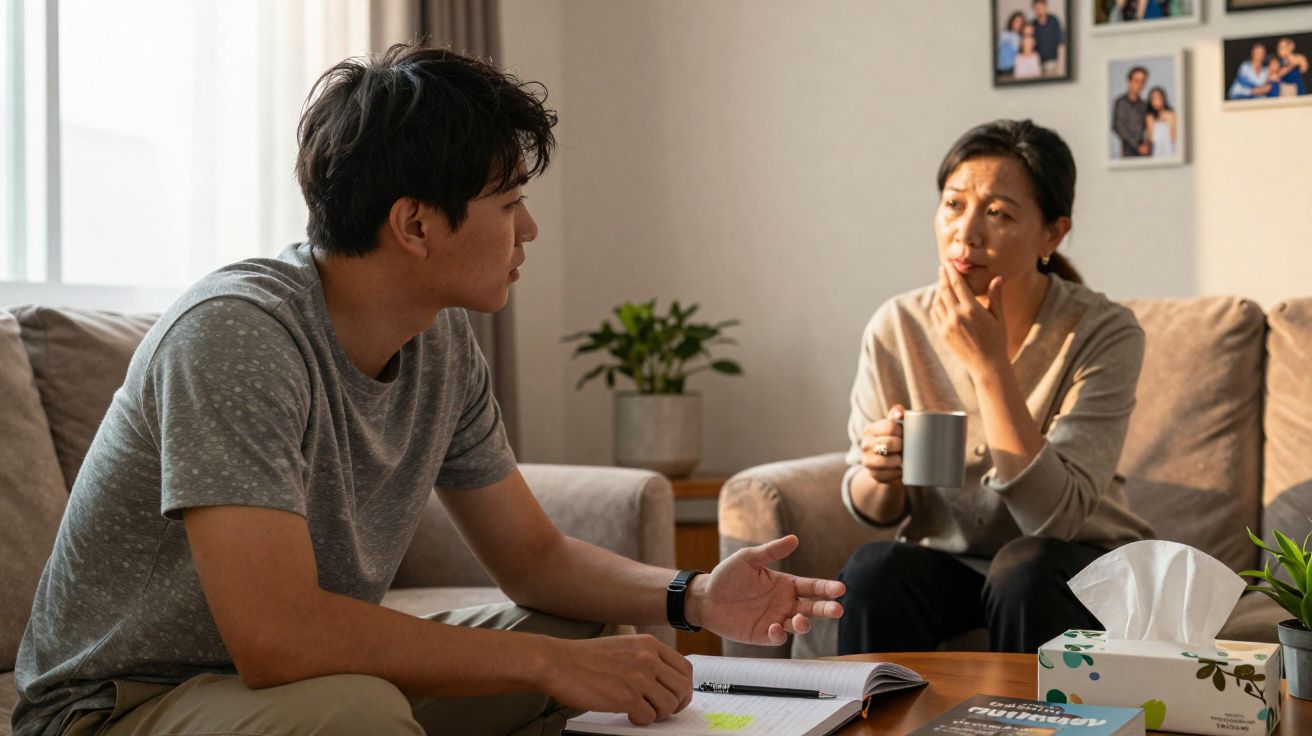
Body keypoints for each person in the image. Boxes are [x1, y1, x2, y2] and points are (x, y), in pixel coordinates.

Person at [11, 44, 845, 736]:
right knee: (362, 710)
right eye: (510, 203)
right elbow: (275, 636)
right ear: (414, 225)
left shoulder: (439, 341)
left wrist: (694, 594)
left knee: (587, 633)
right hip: (118, 704)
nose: (530, 230)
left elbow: (536, 560)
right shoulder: (237, 335)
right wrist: (551, 666)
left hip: (278, 686)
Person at [835, 119, 1153, 656]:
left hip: (1078, 565)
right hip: (956, 565)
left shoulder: (1103, 332)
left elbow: (1054, 518)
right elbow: (870, 507)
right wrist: (878, 470)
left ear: (1052, 233)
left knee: (1024, 570)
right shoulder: (898, 325)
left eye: (997, 213)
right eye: (954, 205)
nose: (966, 233)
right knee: (874, 570)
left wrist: (988, 367)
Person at [1112, 66, 1150, 157]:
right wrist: (1137, 145)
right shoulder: (1121, 102)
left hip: (1145, 152)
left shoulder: (1145, 105)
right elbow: (1118, 126)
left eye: (1142, 82)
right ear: (1129, 81)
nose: (1139, 85)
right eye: (1136, 81)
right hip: (1128, 151)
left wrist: (1147, 144)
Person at [1031, 0, 1065, 76]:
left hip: (1054, 62)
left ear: (1045, 7)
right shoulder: (1033, 24)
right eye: (1036, 8)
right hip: (1039, 64)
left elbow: (1061, 43)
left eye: (1041, 7)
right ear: (1034, 9)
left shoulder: (1053, 20)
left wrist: (1061, 63)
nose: (1039, 10)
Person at [1145, 87, 1176, 158]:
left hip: (1170, 151)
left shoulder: (1171, 114)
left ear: (1163, 98)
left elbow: (1174, 137)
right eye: (1153, 99)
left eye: (1158, 97)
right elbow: (1151, 138)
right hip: (1156, 153)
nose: (1156, 101)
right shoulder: (1149, 117)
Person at [997, 12, 1026, 76]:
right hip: (999, 68)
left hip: (1012, 68)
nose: (1018, 24)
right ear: (1012, 21)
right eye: (1016, 21)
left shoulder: (1021, 38)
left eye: (1020, 22)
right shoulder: (1003, 34)